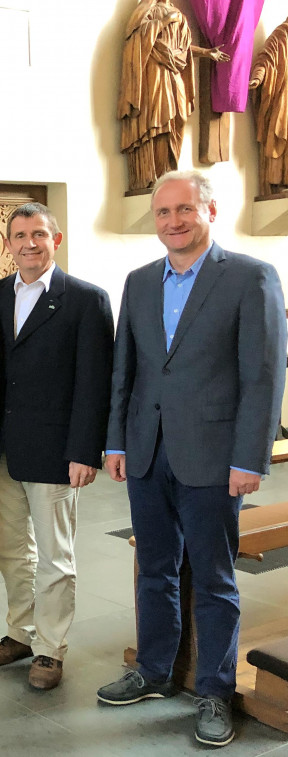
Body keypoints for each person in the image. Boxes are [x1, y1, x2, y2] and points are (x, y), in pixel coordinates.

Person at [98, 170, 287, 748]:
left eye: (184, 210)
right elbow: (124, 369)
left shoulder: (251, 277)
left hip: (213, 457)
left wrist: (249, 458)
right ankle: (154, 671)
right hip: (148, 452)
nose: (173, 221)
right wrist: (116, 441)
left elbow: (263, 375)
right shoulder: (139, 280)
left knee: (213, 578)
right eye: (163, 213)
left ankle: (214, 691)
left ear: (209, 211)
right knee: (154, 570)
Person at [0, 203, 114, 691]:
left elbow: (93, 384)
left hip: (56, 450)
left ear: (55, 240)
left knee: (55, 556)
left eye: (38, 234)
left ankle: (51, 650)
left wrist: (84, 450)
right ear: (8, 243)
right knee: (12, 553)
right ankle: (20, 632)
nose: (28, 243)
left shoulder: (85, 300)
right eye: (19, 235)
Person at [118, 0, 229, 192]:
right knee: (156, 120)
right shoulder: (147, 11)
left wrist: (206, 53)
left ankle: (168, 174)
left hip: (174, 75)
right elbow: (135, 40)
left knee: (178, 118)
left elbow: (183, 49)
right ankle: (150, 177)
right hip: (154, 75)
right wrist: (165, 20)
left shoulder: (180, 15)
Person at [249, 17, 288, 196]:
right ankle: (279, 182)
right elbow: (266, 60)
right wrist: (258, 77)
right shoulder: (281, 35)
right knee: (280, 137)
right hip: (284, 98)